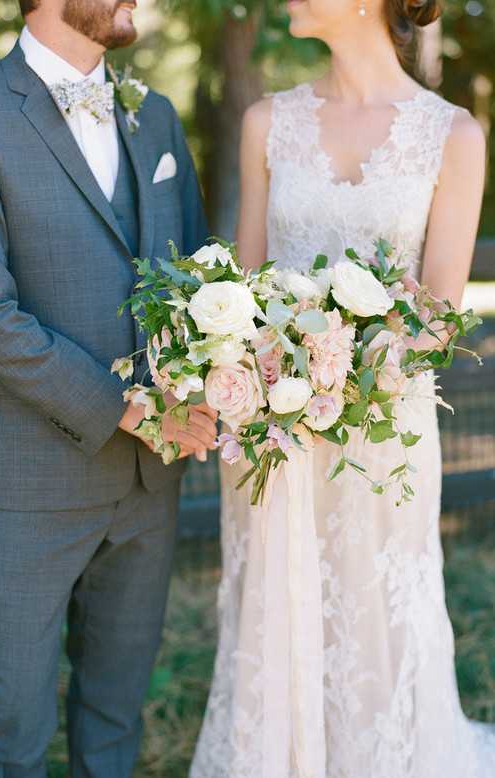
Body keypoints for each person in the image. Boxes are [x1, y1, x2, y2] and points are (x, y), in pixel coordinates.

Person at [190, 1, 495, 777]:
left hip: (383, 430)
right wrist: (266, 368)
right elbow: (248, 283)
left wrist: (343, 364)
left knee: (376, 619)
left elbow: (438, 316)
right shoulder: (268, 122)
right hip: (277, 430)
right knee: (279, 607)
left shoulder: (452, 135)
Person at [0, 1, 218, 775]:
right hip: (32, 482)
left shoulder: (152, 116)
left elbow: (199, 273)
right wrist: (127, 407)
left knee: (114, 715)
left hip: (150, 479)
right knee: (10, 730)